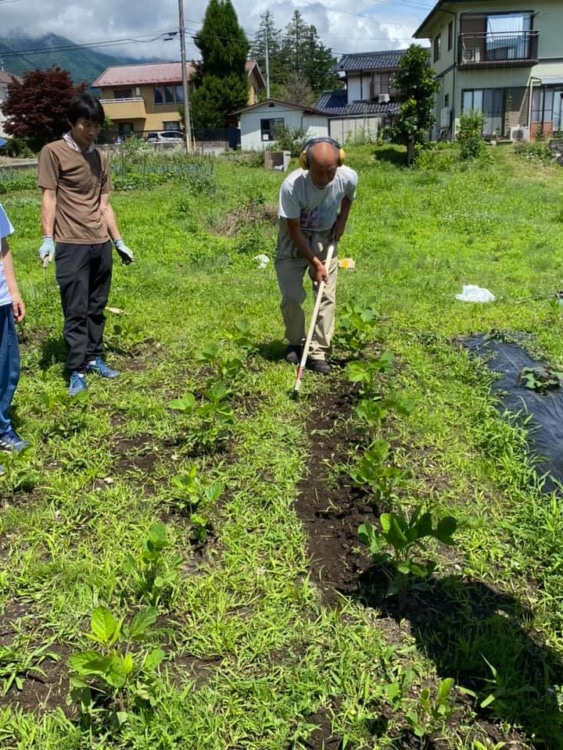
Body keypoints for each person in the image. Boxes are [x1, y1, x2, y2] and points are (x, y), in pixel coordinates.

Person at [37, 93, 134, 397]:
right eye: (85, 125)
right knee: (75, 309)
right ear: (71, 122)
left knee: (96, 306)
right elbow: (49, 197)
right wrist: (47, 238)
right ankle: (76, 368)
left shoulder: (100, 158)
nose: (91, 131)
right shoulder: (53, 152)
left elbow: (105, 205)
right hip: (70, 243)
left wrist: (118, 241)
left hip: (99, 243)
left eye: (96, 126)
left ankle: (94, 357)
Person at [275, 137, 358, 375]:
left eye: (329, 173)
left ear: (338, 165)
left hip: (324, 237)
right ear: (305, 164)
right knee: (291, 296)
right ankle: (295, 342)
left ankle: (318, 351)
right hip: (293, 241)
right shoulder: (291, 186)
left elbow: (348, 196)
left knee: (325, 296)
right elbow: (293, 229)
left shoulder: (347, 177)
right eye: (318, 173)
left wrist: (342, 219)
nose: (323, 179)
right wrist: (314, 262)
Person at [0, 202, 27, 452]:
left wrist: (14, 291)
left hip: (1, 300)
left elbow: (3, 247)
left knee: (6, 368)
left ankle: (2, 428)